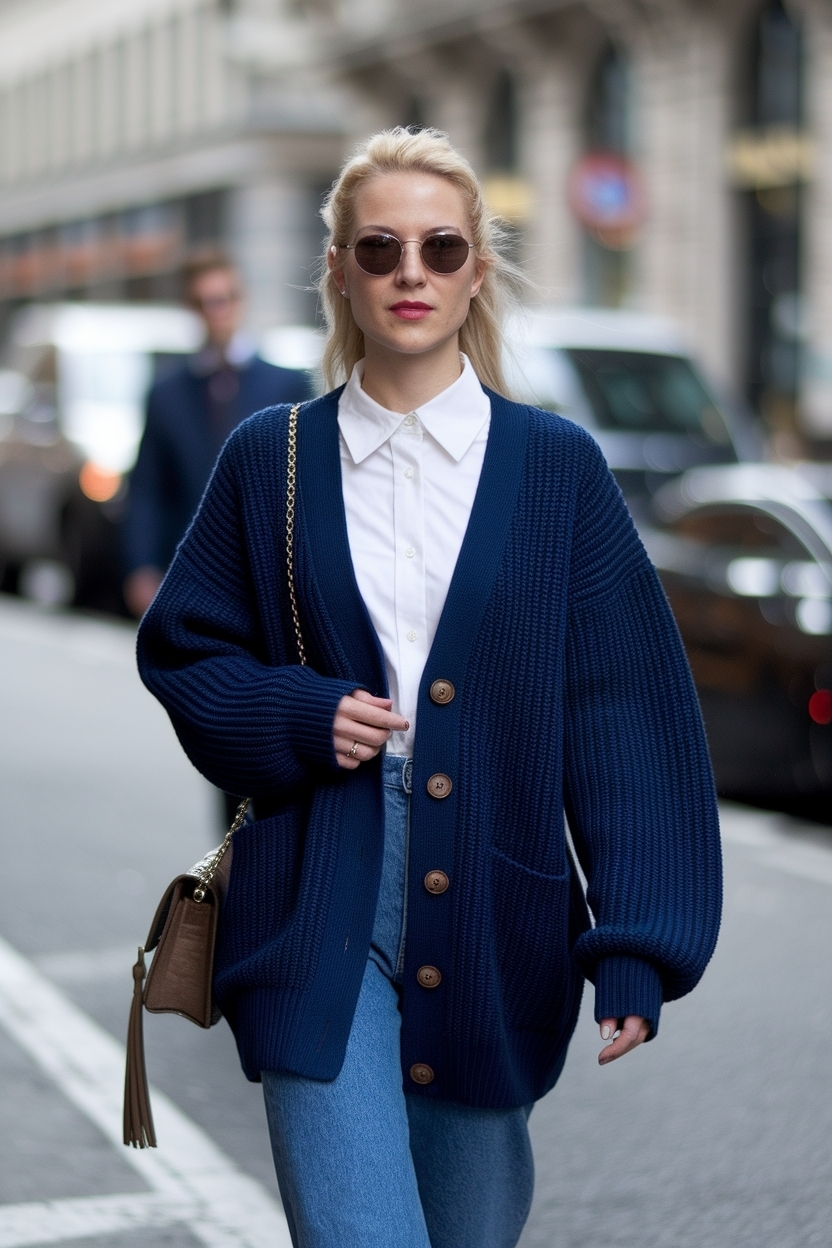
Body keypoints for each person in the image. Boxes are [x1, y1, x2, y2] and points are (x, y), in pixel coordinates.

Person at [136, 129, 722, 1248]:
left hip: (502, 910)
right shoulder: (274, 456)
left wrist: (638, 942)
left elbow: (622, 712)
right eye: (382, 247)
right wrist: (299, 715)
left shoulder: (557, 470)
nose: (412, 271)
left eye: (442, 247)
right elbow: (184, 650)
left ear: (475, 272)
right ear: (342, 275)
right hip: (317, 891)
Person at [123, 250, 311, 619]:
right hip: (187, 569)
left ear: (240, 301)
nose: (215, 311)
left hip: (266, 571)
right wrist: (141, 567)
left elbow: (303, 485)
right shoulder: (166, 394)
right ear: (190, 308)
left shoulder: (287, 385)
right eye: (203, 302)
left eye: (223, 299)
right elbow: (147, 488)